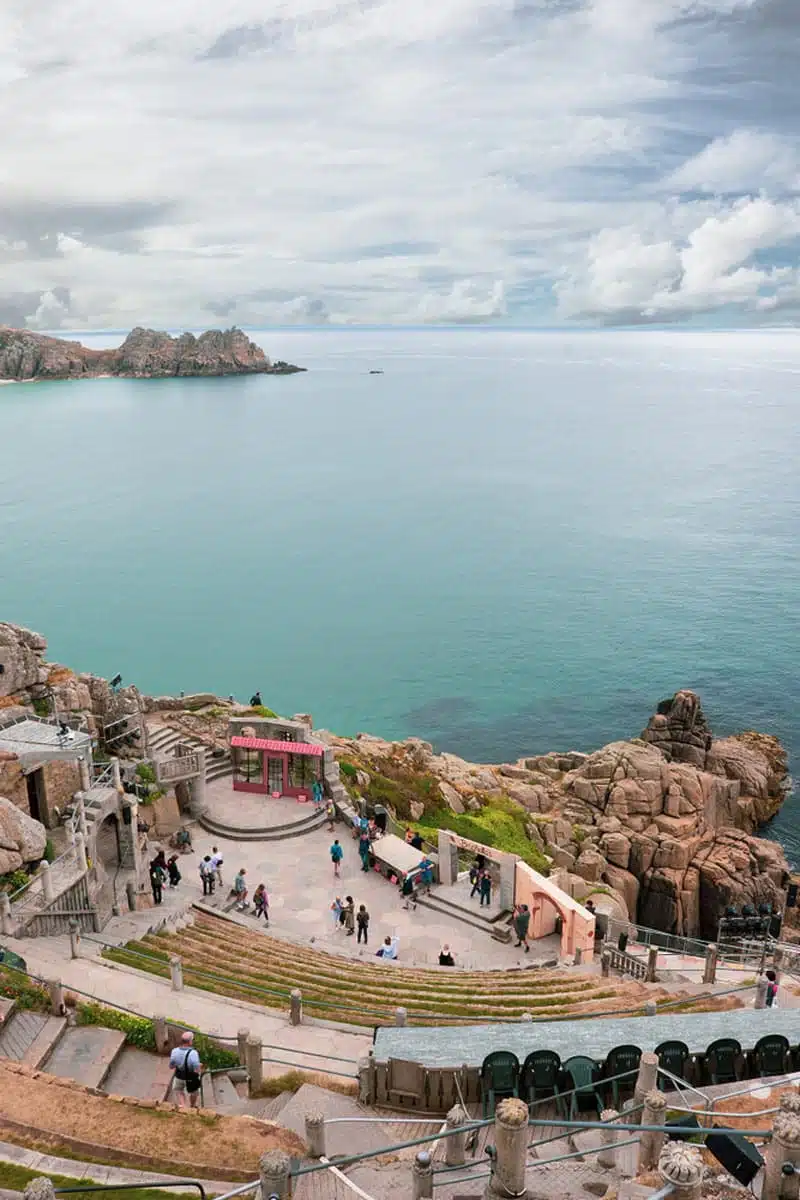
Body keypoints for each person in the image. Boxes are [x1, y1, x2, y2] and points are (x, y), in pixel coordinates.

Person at [169, 1031, 203, 1110]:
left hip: (179, 1076)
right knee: (194, 1093)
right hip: (191, 1077)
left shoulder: (174, 1051)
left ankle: (183, 1106)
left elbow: (171, 1066)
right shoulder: (193, 1053)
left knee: (178, 1090)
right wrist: (199, 1066)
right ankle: (192, 1106)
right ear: (190, 1042)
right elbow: (197, 1069)